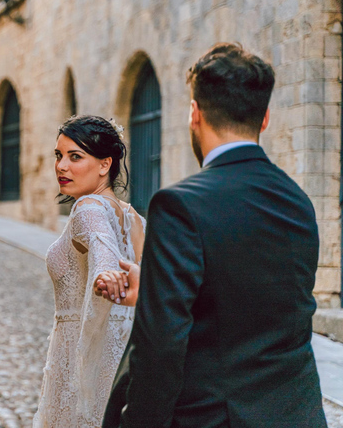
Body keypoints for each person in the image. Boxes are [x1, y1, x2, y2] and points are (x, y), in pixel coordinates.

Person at [99, 43, 327, 428]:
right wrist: (157, 285)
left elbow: (159, 349)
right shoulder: (298, 201)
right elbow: (262, 297)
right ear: (265, 118)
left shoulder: (179, 205)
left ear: (194, 114)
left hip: (214, 417)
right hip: (297, 414)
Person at [33, 115, 146, 428]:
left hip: (78, 362)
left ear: (104, 164)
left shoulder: (88, 208)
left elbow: (102, 250)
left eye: (75, 157)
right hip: (121, 359)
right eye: (58, 155)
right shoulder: (136, 219)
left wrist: (105, 275)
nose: (61, 166)